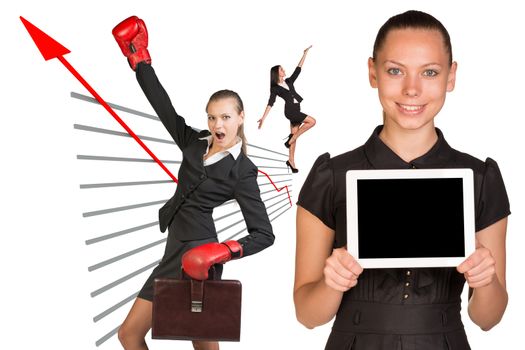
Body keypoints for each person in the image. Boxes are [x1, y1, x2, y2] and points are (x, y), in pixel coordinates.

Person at [294, 10, 510, 350]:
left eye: (430, 72)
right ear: (373, 72)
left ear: (450, 77)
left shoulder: (480, 179)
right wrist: (332, 282)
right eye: (395, 70)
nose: (412, 89)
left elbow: (488, 318)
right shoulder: (331, 176)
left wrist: (485, 280)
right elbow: (307, 315)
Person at [112, 16, 274, 350]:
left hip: (200, 258)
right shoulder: (195, 142)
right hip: (173, 252)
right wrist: (141, 61)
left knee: (203, 346)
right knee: (129, 334)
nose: (218, 124)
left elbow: (265, 234)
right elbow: (164, 108)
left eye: (226, 117)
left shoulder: (243, 171)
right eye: (212, 117)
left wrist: (224, 251)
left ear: (241, 118)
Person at [257, 46, 316, 173]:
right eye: (281, 69)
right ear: (277, 73)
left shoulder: (289, 82)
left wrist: (304, 54)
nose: (284, 70)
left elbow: (298, 70)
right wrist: (263, 118)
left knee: (294, 133)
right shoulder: (275, 88)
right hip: (291, 111)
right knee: (312, 122)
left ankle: (291, 161)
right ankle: (292, 139)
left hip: (296, 108)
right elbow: (270, 103)